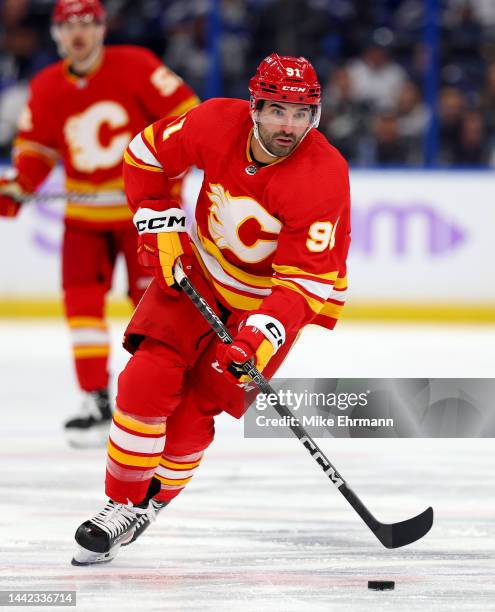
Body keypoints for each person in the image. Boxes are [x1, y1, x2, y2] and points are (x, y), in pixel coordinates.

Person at [71, 53, 351, 565]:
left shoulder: (324, 175)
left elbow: (304, 282)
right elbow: (144, 155)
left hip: (268, 303)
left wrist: (260, 336)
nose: (289, 126)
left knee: (193, 414)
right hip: (199, 273)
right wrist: (161, 224)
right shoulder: (213, 122)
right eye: (277, 112)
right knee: (144, 382)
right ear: (254, 107)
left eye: (301, 113)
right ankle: (118, 504)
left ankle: (149, 506)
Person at [0, 0, 199, 447]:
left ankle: (165, 396)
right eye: (68, 24)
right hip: (85, 218)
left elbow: (190, 118)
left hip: (147, 213)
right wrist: (21, 183)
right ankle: (95, 398)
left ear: (102, 28)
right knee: (82, 306)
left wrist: (169, 170)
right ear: (56, 34)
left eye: (87, 23)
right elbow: (37, 147)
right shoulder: (47, 85)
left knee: (156, 305)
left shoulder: (137, 65)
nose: (78, 33)